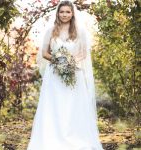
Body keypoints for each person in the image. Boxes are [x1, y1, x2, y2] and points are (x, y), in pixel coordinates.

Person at [27, 0, 103, 150]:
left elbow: (83, 53)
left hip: (74, 73)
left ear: (72, 13)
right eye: (62, 12)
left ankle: (75, 137)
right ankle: (51, 138)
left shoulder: (79, 32)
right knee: (54, 105)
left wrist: (70, 62)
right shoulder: (51, 30)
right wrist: (59, 60)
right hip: (54, 74)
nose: (64, 14)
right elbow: (44, 53)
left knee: (72, 106)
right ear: (57, 13)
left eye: (68, 12)